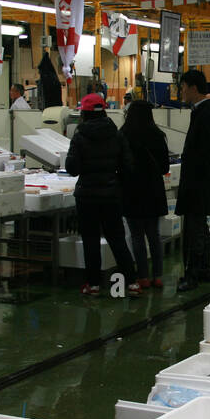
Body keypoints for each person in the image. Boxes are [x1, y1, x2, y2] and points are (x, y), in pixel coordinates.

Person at [64, 93, 140, 297]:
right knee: (117, 239)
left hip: (86, 196)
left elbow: (72, 168)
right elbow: (128, 166)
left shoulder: (80, 136)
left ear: (85, 114)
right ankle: (132, 283)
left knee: (90, 240)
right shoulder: (116, 134)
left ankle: (94, 285)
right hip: (111, 196)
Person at [176, 70, 210, 292]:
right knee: (200, 226)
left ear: (193, 87)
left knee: (194, 229)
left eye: (183, 86)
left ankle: (192, 275)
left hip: (197, 180)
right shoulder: (203, 112)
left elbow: (200, 152)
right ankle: (203, 270)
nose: (181, 91)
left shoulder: (205, 114)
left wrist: (189, 181)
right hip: (200, 179)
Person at [120, 100, 170, 289]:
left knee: (137, 237)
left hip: (131, 190)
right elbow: (165, 167)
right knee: (154, 235)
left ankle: (142, 277)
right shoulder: (157, 135)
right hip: (153, 191)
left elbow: (120, 165)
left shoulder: (123, 135)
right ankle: (157, 276)